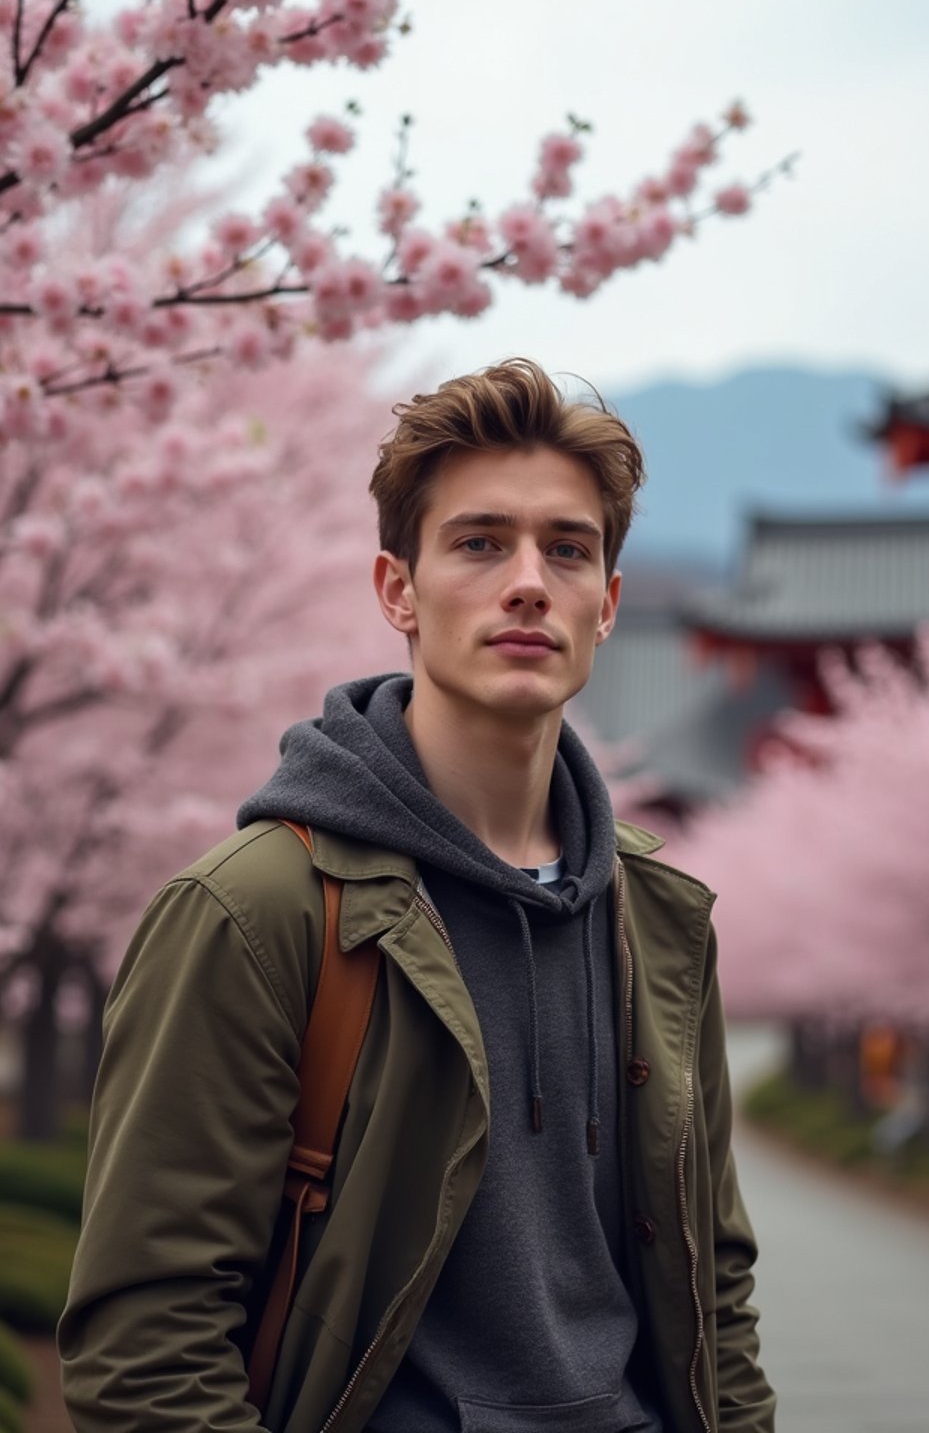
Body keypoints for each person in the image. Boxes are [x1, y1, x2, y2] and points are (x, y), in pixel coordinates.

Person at [59, 358, 775, 1433]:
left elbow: (712, 1289)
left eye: (566, 550)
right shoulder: (258, 913)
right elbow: (145, 1346)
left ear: (608, 605)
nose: (528, 580)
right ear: (397, 587)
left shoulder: (655, 921)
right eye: (480, 542)